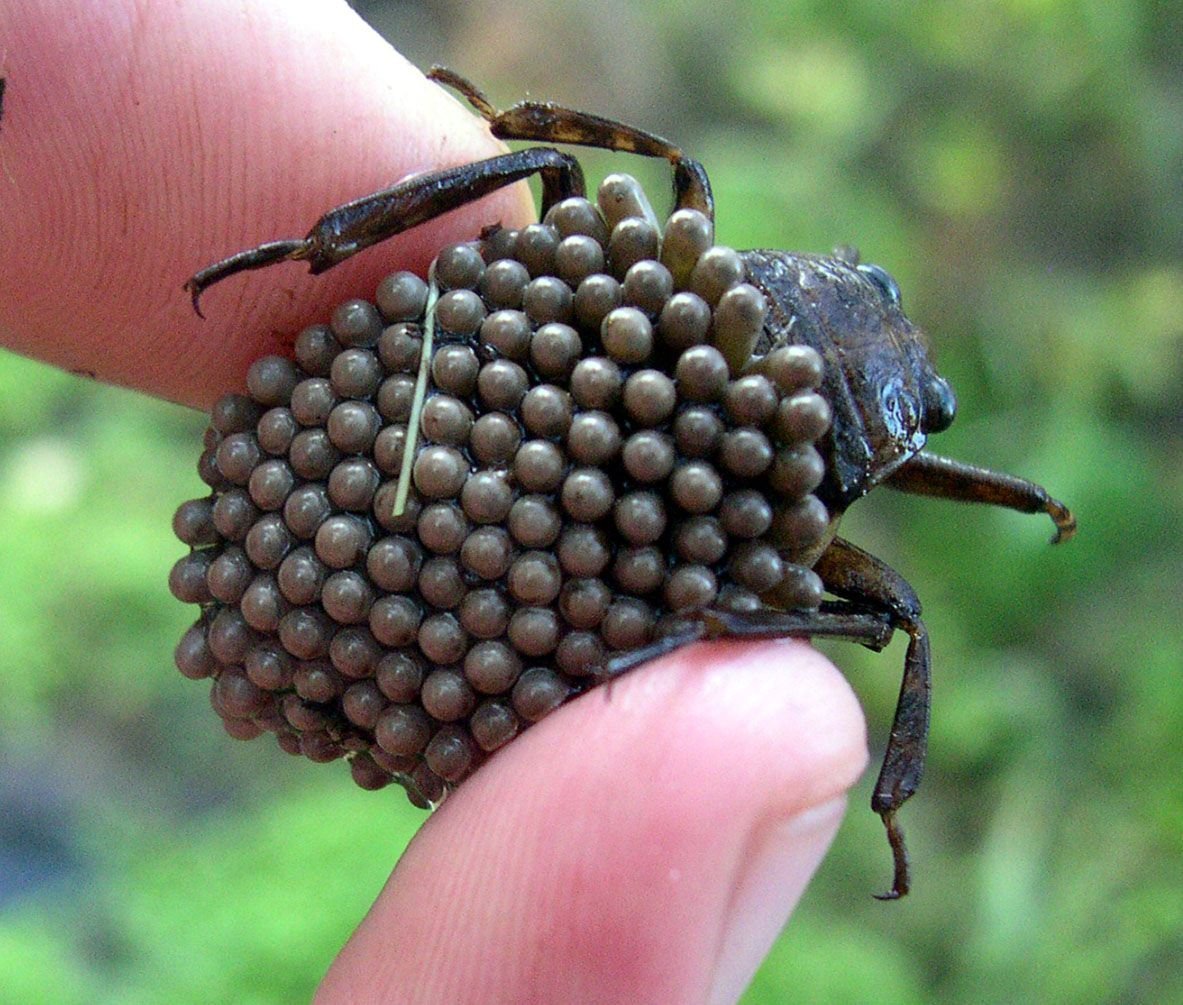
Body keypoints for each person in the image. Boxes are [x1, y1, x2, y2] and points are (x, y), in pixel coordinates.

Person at [0, 3, 868, 1001]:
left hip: (438, 508)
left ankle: (340, 238)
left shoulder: (668, 357)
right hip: (467, 553)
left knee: (545, 176)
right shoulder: (666, 375)